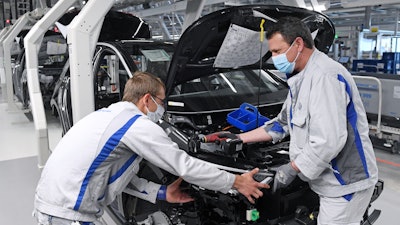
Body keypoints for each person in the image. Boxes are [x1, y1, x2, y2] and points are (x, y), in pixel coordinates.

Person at [33, 71, 269, 225]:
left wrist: (162, 193)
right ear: (147, 99)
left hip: (53, 206)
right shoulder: (135, 125)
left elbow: (115, 175)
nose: (163, 108)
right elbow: (183, 165)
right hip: (67, 214)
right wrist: (235, 182)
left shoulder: (110, 116)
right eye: (162, 101)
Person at [215, 17, 378, 225]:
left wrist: (291, 169)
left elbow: (328, 141)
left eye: (276, 51)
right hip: (327, 181)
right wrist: (238, 138)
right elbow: (281, 124)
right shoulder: (301, 77)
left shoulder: (324, 77)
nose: (273, 59)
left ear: (298, 44)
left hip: (345, 184)